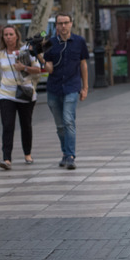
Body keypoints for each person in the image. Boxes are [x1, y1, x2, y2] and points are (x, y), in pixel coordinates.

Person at [41, 13, 89, 170]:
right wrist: (40, 57)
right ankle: (64, 153)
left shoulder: (79, 41)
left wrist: (85, 87)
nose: (63, 26)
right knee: (60, 125)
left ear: (71, 24)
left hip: (72, 87)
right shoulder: (50, 43)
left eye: (66, 23)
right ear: (56, 25)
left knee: (68, 120)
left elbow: (83, 64)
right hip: (54, 88)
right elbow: (49, 68)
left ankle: (70, 155)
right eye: (60, 23)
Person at [0, 25, 44, 170]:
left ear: (17, 36)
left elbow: (38, 70)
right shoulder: (0, 54)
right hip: (6, 93)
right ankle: (6, 158)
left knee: (26, 125)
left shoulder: (26, 51)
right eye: (6, 35)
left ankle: (27, 154)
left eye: (11, 34)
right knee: (7, 126)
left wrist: (24, 68)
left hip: (25, 92)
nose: (8, 37)